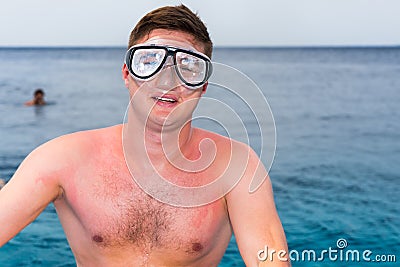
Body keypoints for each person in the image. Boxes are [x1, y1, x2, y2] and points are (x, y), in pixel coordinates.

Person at [0, 5, 290, 266]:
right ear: (127, 74)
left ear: (202, 86)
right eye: (150, 62)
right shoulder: (62, 160)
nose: (167, 80)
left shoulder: (237, 168)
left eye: (188, 68)